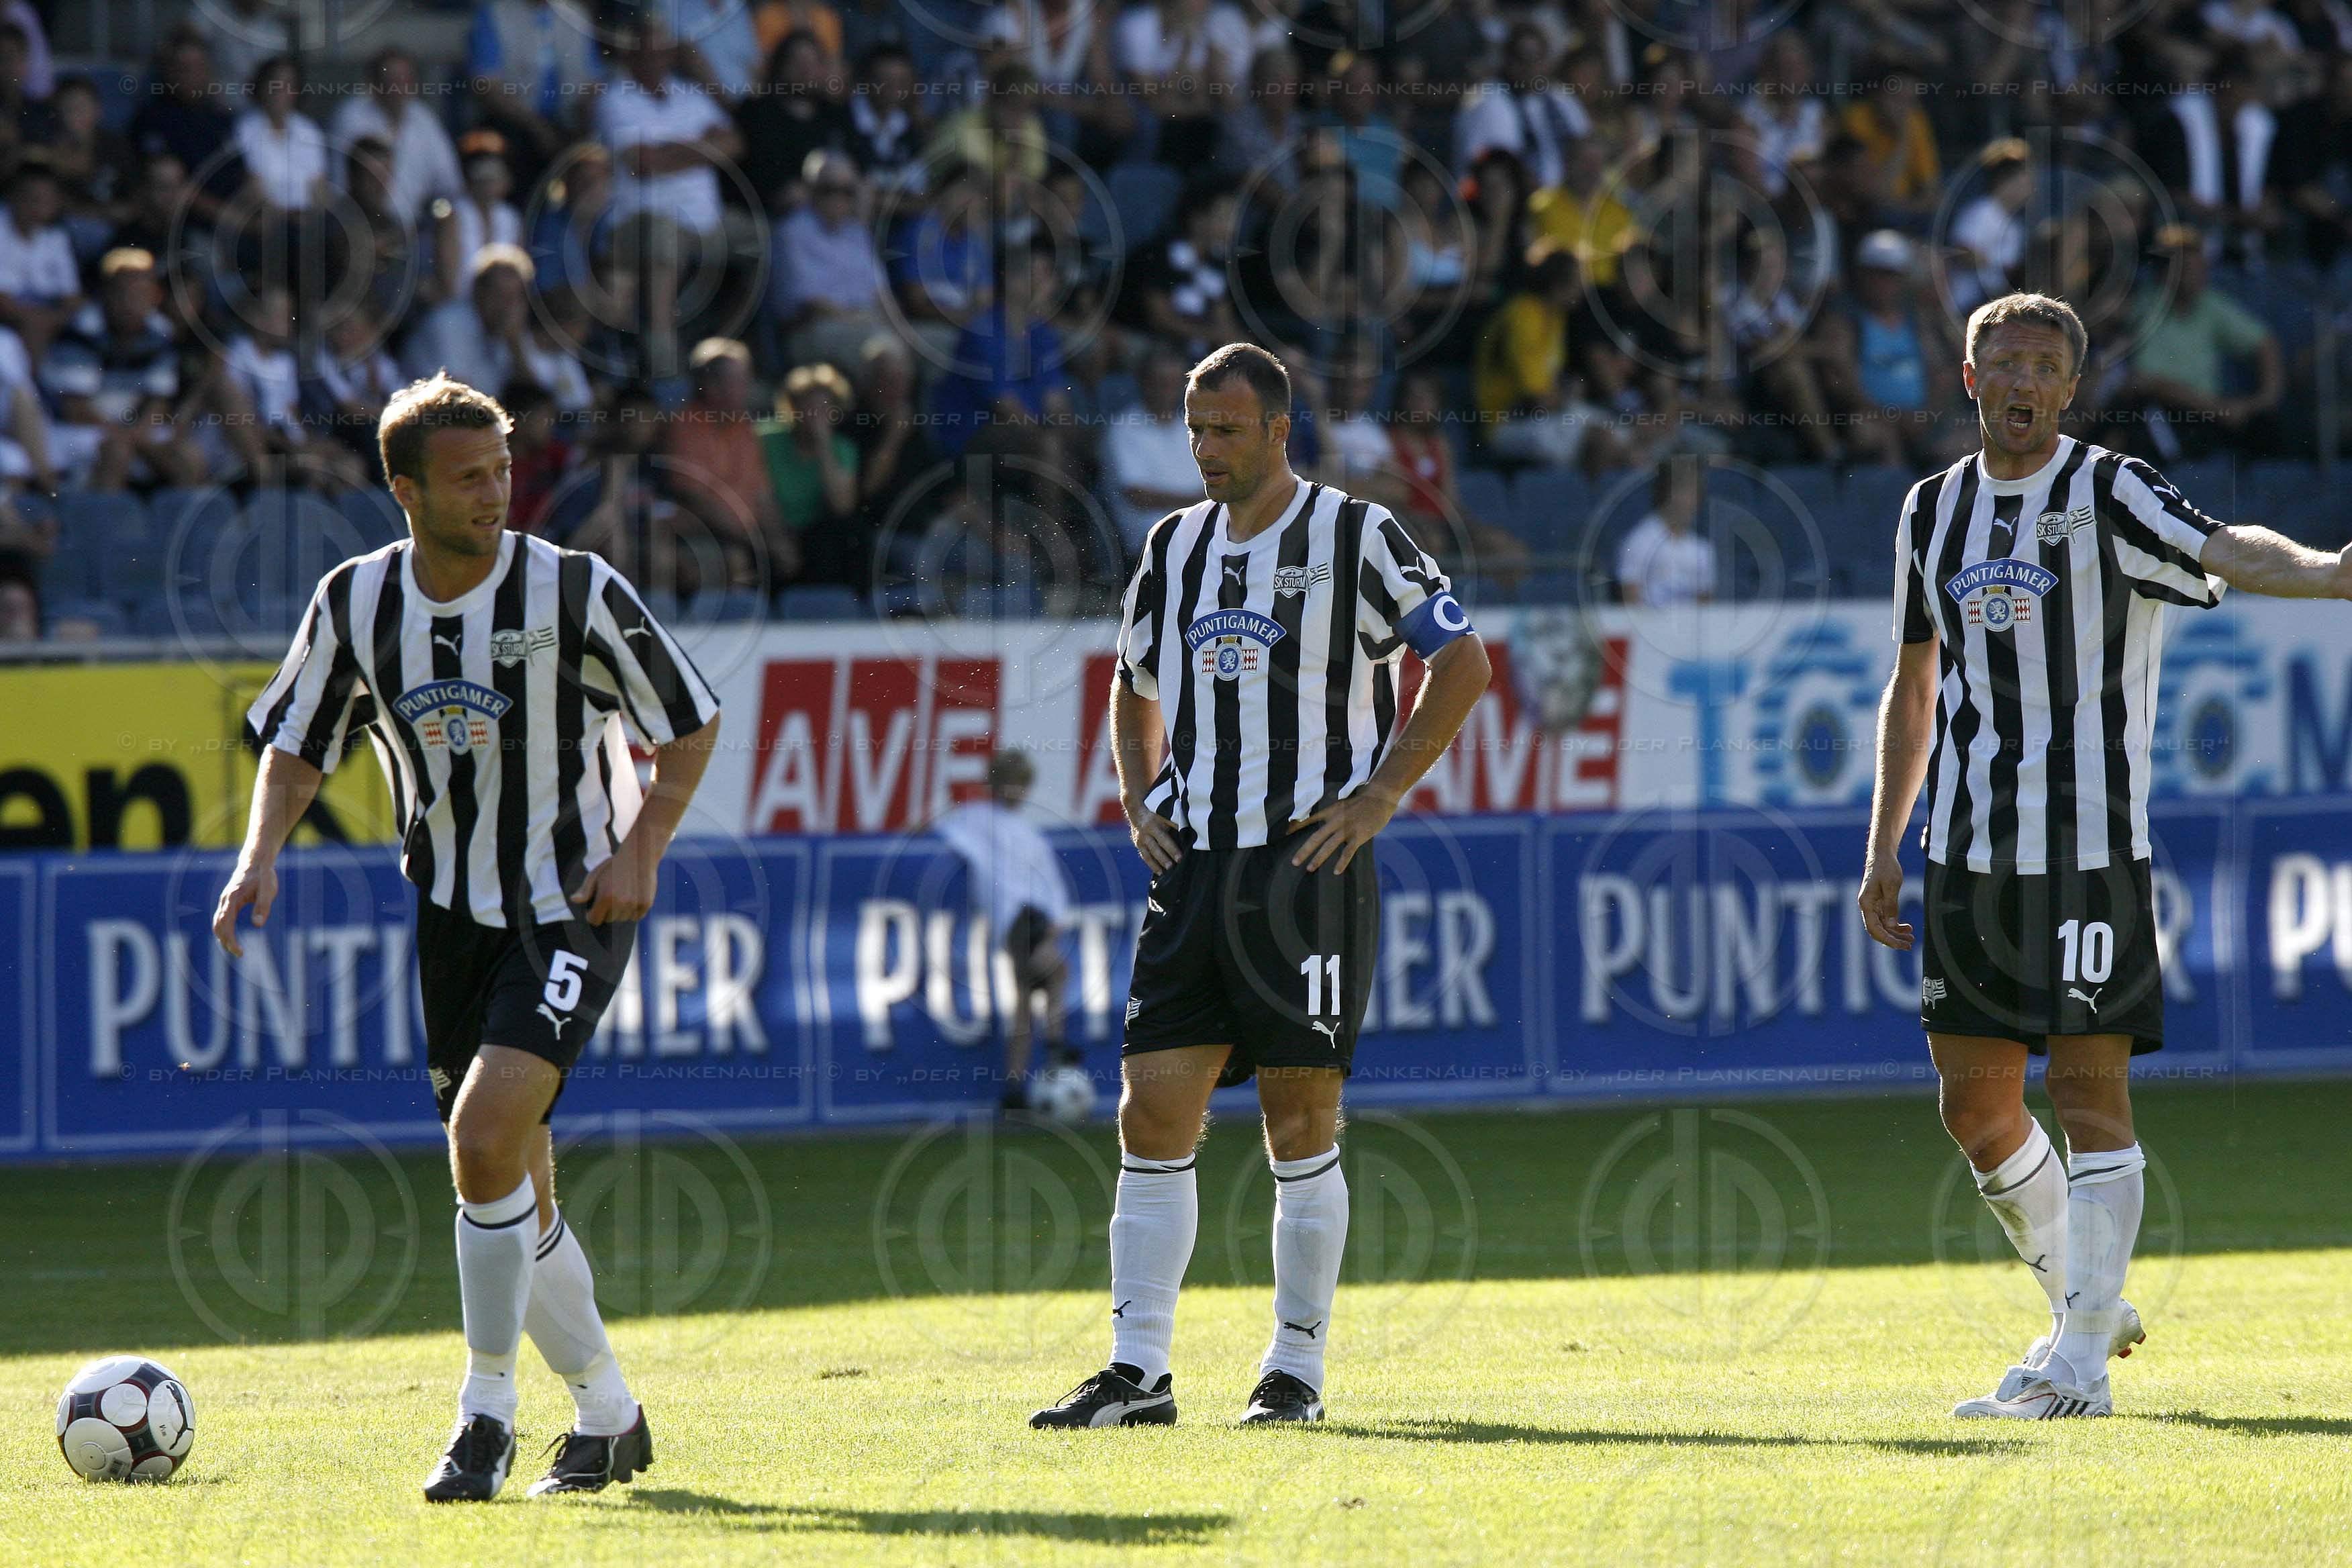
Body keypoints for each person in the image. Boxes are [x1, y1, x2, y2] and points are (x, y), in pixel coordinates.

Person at [215, 373, 722, 1498]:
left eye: (500, 470)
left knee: (485, 1138)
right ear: (404, 489)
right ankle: (608, 1415)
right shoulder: (356, 602)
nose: (494, 492)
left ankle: (483, 1415)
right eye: (467, 477)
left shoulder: (571, 589)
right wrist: (257, 858)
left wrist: (640, 849)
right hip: (449, 912)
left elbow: (687, 720)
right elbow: (299, 743)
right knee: (515, 1184)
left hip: (571, 904)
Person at [1858, 292, 2352, 1421]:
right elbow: (1912, 680)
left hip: (2087, 850)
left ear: (2069, 388)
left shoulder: (2107, 491)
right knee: (1972, 1110)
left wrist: (2326, 573)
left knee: (2087, 1095)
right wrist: (1882, 839)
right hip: (1966, 852)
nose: (2021, 380)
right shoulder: (1928, 511)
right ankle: (2084, 1306)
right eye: (2002, 360)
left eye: (2043, 363)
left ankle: (2076, 1365)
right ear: (1969, 375)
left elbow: (2220, 546)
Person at [1030, 342, 1490, 1430]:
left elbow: (1460, 660)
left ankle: (1293, 1368)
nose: (1205, 451)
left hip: (1305, 862)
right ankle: (1136, 1371)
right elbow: (1130, 680)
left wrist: (1378, 794)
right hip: (1194, 864)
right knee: (1150, 1109)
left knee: (1299, 1114)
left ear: (1279, 430)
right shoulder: (1172, 547)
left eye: (1225, 430)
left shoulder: (1354, 534)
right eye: (1195, 430)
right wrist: (1140, 800)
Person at [930, 748, 1078, 1113]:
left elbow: (1053, 886)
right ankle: (1057, 1048)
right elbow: (940, 832)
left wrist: (1056, 922)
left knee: (1026, 1000)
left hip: (1037, 917)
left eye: (1020, 785)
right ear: (994, 785)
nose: (1014, 792)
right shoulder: (976, 819)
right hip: (1015, 917)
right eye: (1007, 784)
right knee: (1054, 972)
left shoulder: (1030, 834)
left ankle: (1014, 1088)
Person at [1616, 456, 1714, 606]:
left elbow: (1705, 605)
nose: (1690, 501)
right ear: (1666, 493)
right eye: (1684, 492)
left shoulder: (1702, 549)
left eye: (1695, 494)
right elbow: (1630, 600)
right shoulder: (1639, 541)